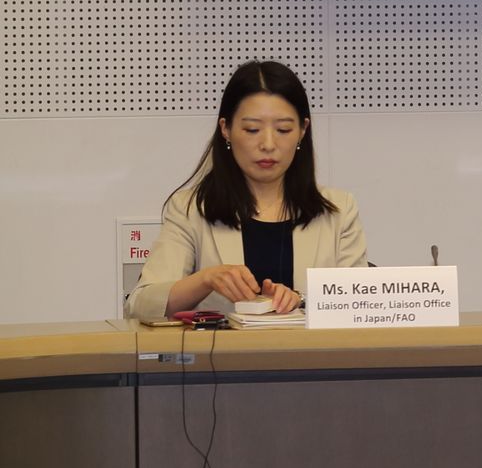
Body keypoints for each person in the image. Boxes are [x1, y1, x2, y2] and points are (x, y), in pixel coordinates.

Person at [126, 61, 367, 320]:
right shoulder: (190, 209)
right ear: (226, 129)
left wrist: (303, 300)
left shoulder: (339, 211)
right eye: (252, 129)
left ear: (302, 131)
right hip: (223, 360)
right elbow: (139, 305)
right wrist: (206, 279)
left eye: (283, 130)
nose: (268, 144)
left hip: (315, 359)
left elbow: (361, 306)